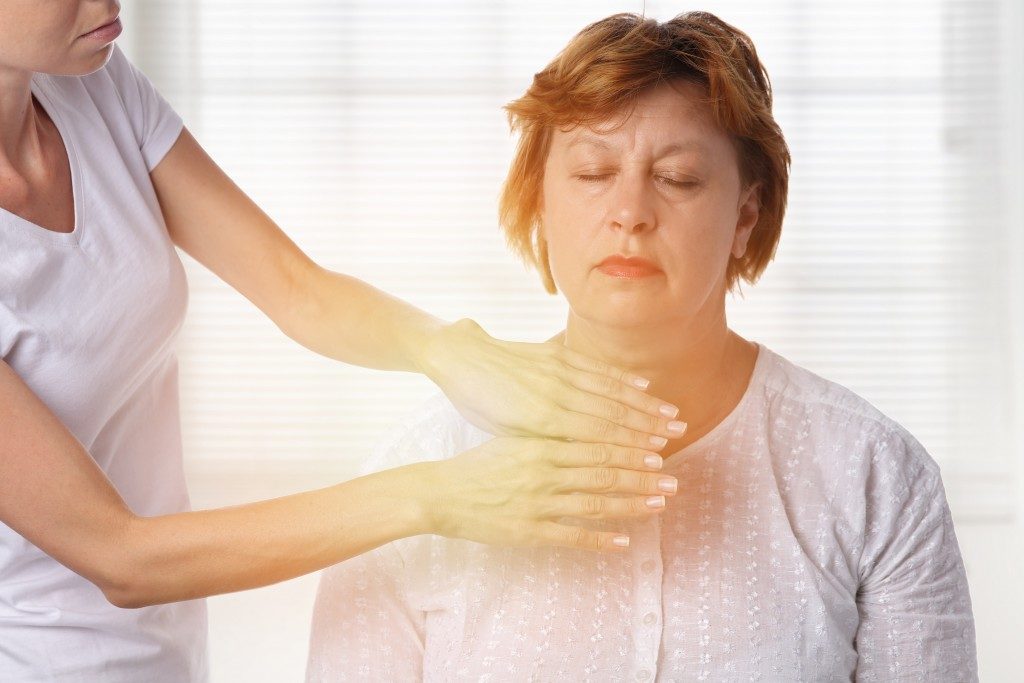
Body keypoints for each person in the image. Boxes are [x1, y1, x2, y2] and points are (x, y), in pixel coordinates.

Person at [0, 3, 693, 680]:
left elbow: (294, 285)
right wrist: (434, 497)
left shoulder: (90, 80)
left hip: (166, 646)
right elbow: (121, 556)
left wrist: (452, 350)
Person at [307, 11, 978, 681]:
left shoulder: (875, 475)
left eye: (679, 178)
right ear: (540, 206)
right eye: (593, 172)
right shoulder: (424, 464)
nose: (629, 211)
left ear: (745, 215)